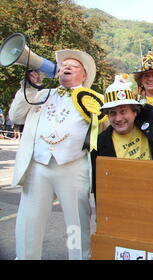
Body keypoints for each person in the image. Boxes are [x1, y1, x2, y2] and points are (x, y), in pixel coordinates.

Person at [9, 49, 101, 259]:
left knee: (76, 226)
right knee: (29, 223)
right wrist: (29, 86)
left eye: (73, 66)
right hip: (38, 168)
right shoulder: (41, 95)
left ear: (84, 75)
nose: (66, 67)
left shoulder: (94, 99)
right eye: (64, 65)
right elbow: (16, 116)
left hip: (74, 168)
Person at [91, 46, 153, 192]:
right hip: (127, 199)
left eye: (123, 111)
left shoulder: (151, 118)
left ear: (135, 111)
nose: (118, 118)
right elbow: (99, 187)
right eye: (112, 113)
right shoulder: (100, 143)